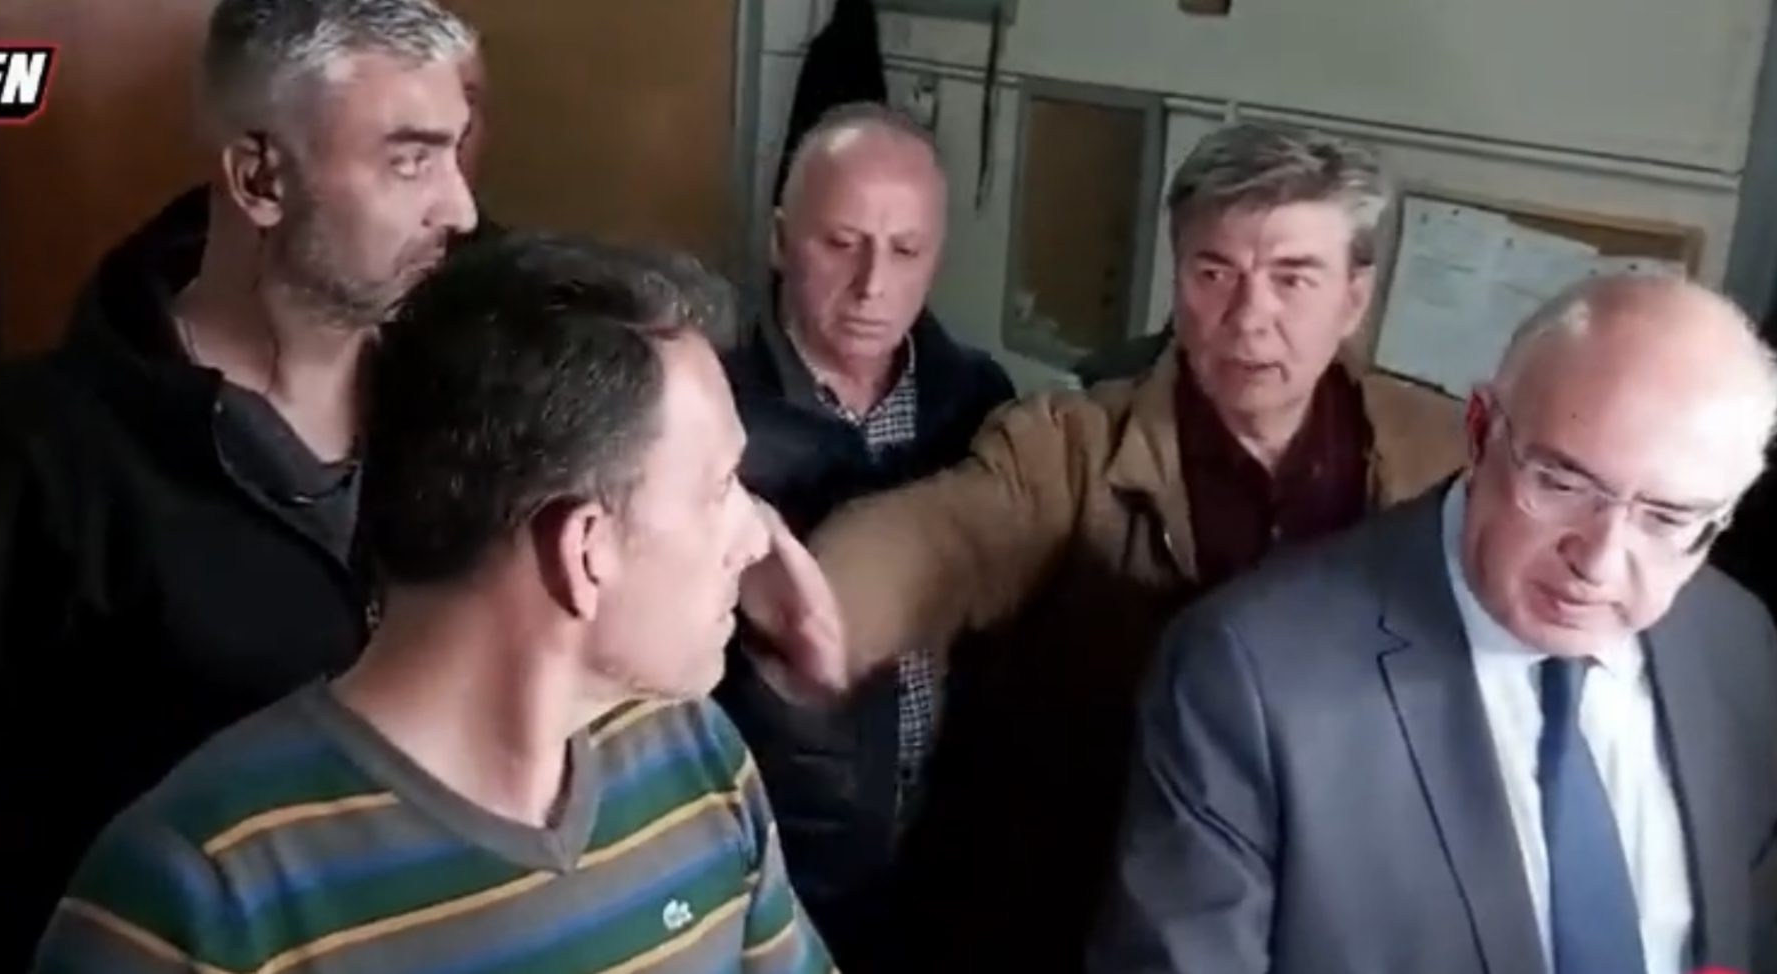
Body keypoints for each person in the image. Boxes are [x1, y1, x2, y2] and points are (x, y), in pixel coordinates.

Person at [747, 119, 1468, 969]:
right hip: (1110, 912)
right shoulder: (1074, 444)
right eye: (1214, 273)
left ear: (1353, 296)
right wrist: (831, 605)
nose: (1249, 318)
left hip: (1348, 914)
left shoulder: (1442, 456)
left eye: (1292, 278)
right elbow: (950, 533)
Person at [0, 1, 479, 969]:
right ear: (259, 178)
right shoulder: (24, 463)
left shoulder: (478, 398)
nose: (459, 208)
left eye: (455, 153)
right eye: (410, 161)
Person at [29, 232, 835, 974]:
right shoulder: (195, 899)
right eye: (719, 488)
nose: (753, 538)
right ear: (585, 551)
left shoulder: (696, 757)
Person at [1087, 274, 1777, 974]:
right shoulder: (1246, 674)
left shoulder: (1740, 644)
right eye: (1561, 483)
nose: (1598, 562)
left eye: (1667, 518)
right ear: (1478, 430)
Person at [714, 101, 1013, 971]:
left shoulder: (978, 401)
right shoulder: (709, 412)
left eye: (907, 251)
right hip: (776, 865)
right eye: (841, 243)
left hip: (948, 857)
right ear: (781, 239)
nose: (873, 284)